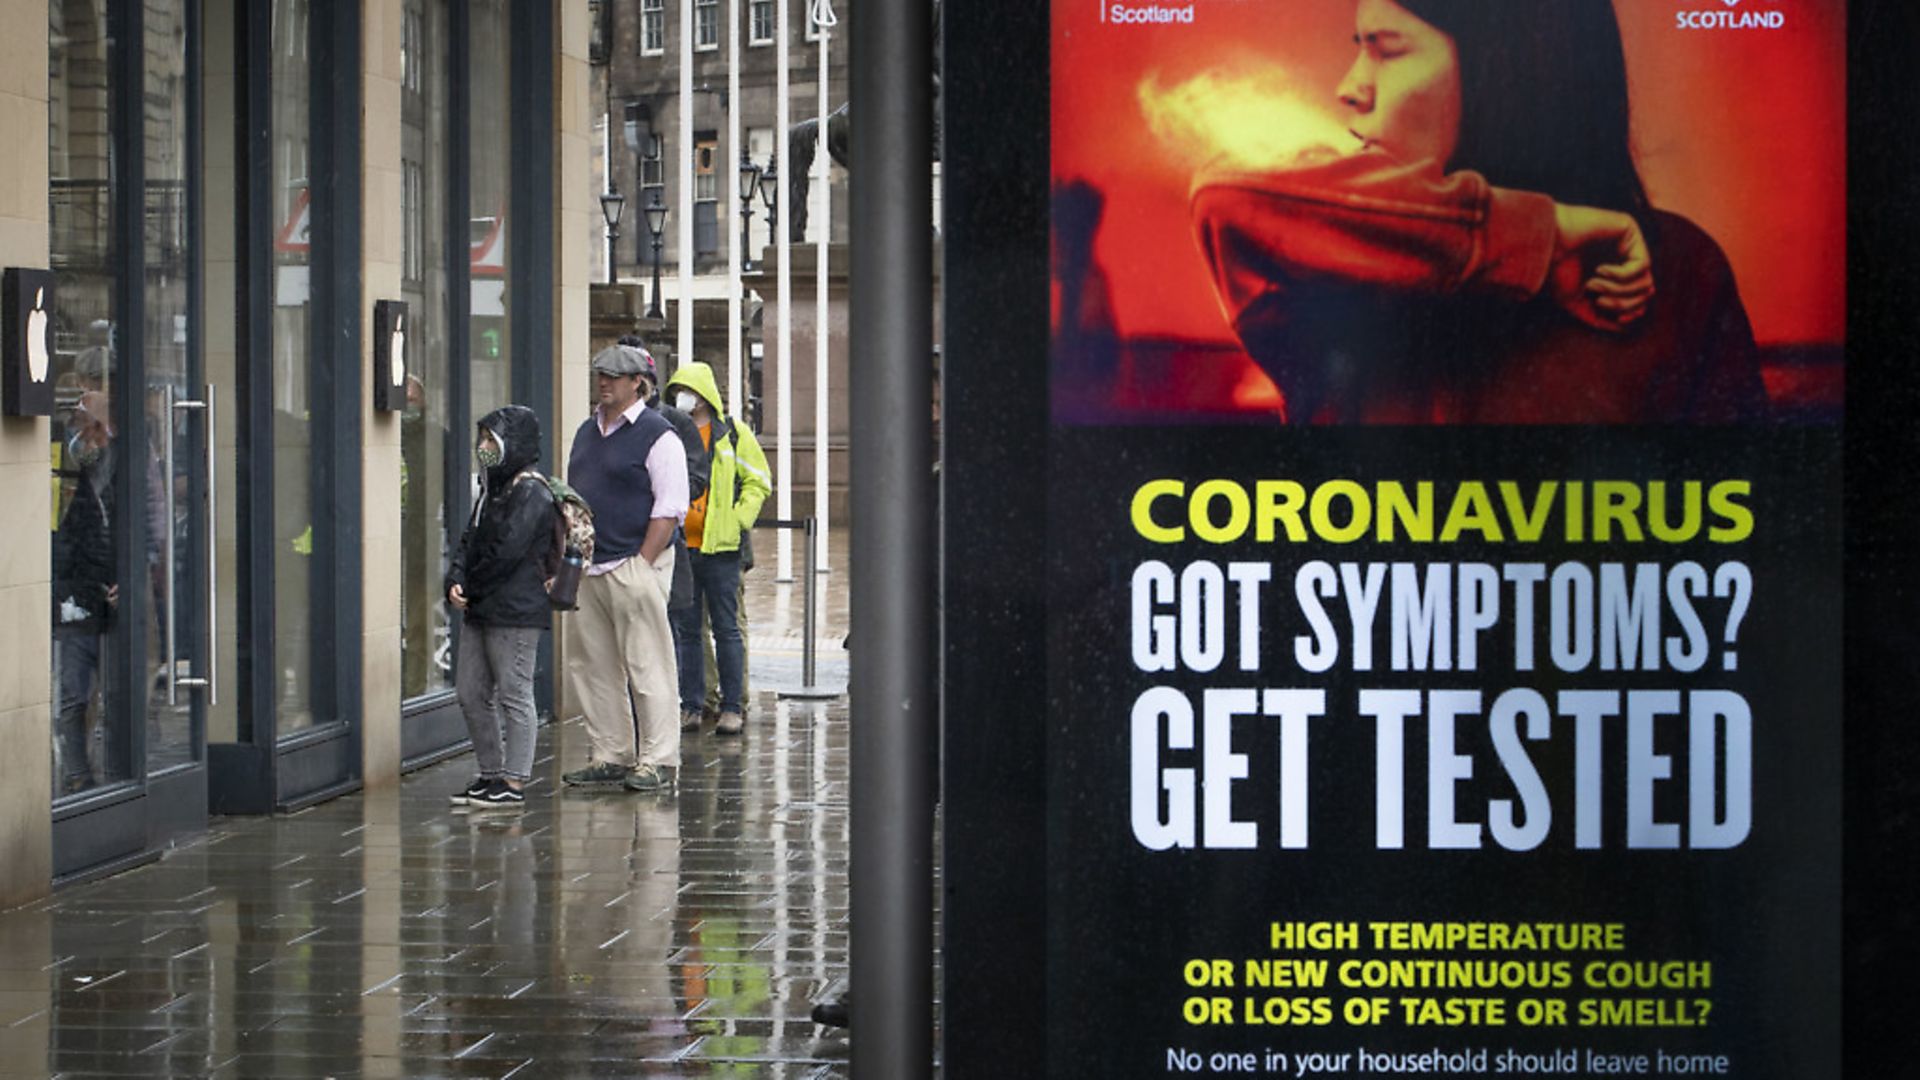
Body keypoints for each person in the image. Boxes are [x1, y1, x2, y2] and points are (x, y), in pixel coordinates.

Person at [1189, 0, 1766, 424]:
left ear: (1507, 68)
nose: (1350, 87)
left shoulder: (1681, 271)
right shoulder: (1342, 268)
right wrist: (1548, 237)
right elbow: (1224, 190)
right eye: (1357, 50)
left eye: (1385, 50)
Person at [562, 345, 690, 792]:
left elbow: (670, 507)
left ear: (639, 382)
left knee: (648, 665)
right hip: (591, 566)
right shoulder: (585, 431)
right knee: (592, 666)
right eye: (600, 373)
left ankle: (658, 758)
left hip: (635, 563)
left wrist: (642, 563)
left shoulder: (659, 435)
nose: (604, 381)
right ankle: (612, 753)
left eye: (614, 375)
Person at [444, 405, 555, 810]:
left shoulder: (532, 491)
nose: (484, 447)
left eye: (492, 439)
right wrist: (455, 578)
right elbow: (469, 540)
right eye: (483, 439)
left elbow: (506, 550)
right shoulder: (490, 487)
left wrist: (469, 583)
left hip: (515, 609)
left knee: (514, 692)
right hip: (483, 606)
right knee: (471, 692)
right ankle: (490, 773)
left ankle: (514, 779)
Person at [664, 361, 771, 736]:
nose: (682, 397)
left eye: (688, 390)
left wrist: (738, 518)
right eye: (677, 390)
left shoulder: (733, 435)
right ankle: (693, 705)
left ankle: (731, 707)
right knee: (688, 631)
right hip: (683, 548)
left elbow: (758, 481)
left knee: (727, 630)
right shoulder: (671, 434)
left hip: (723, 551)